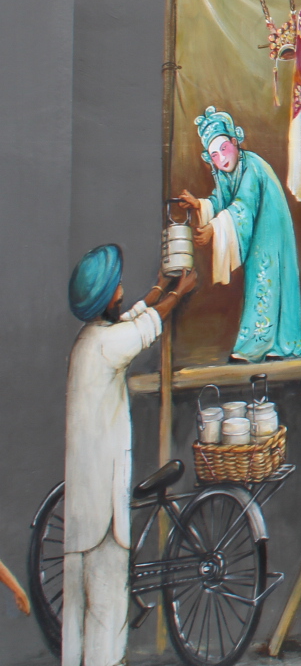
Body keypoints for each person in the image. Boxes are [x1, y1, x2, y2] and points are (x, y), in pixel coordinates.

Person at [63, 246, 194, 666]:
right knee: (106, 606)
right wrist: (179, 292)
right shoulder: (108, 345)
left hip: (82, 501)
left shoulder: (88, 341)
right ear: (107, 298)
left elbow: (130, 319)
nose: (123, 291)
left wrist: (157, 287)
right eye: (118, 287)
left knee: (76, 610)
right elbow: (144, 327)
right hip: (103, 503)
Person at [174, 106, 301, 362]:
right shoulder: (228, 172)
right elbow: (221, 200)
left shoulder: (252, 167)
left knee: (265, 276)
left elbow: (243, 205)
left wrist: (214, 228)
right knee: (262, 277)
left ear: (235, 142)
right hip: (258, 226)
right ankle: (273, 344)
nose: (221, 158)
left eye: (224, 148)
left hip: (271, 227)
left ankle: (259, 345)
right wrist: (199, 204)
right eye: (214, 154)